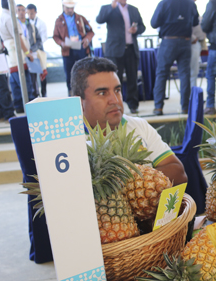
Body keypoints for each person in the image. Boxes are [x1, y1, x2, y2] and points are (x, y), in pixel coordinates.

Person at [71, 57, 188, 185]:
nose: (115, 100)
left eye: (117, 90)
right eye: (102, 93)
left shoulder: (139, 125)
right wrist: (148, 178)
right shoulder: (71, 143)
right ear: (79, 101)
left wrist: (133, 188)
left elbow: (179, 173)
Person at [96, 0, 146, 115]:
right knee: (114, 80)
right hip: (115, 51)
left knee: (132, 78)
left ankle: (133, 105)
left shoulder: (133, 9)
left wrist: (136, 30)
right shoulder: (108, 8)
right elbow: (99, 20)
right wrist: (112, 7)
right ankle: (115, 105)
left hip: (131, 49)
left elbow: (142, 27)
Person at [151, 0, 198, 116]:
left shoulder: (163, 3)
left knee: (161, 74)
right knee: (184, 75)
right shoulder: (189, 3)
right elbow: (195, 21)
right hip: (185, 41)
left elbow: (154, 23)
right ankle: (185, 108)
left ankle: (158, 107)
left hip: (168, 42)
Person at [0, 0, 36, 113]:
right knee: (24, 83)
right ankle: (29, 108)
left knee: (14, 83)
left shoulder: (2, 16)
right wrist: (27, 52)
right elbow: (18, 38)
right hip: (17, 54)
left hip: (11, 55)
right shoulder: (9, 18)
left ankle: (19, 106)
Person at [53, 0, 94, 96]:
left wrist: (87, 39)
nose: (70, 10)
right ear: (63, 7)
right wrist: (62, 43)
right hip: (68, 50)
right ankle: (72, 95)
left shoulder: (80, 18)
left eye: (71, 8)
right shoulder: (59, 20)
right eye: (68, 8)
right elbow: (55, 36)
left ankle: (85, 94)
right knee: (70, 74)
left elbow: (90, 32)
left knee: (84, 72)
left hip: (81, 48)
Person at [16, 4, 41, 100]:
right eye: (19, 10)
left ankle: (35, 99)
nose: (21, 12)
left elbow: (39, 41)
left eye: (23, 10)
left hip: (31, 56)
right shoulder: (14, 26)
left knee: (33, 80)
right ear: (16, 12)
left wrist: (31, 50)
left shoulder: (31, 26)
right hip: (20, 57)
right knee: (23, 81)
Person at [185, 0, 206, 89]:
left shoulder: (189, 5)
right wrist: (193, 38)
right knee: (192, 72)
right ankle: (191, 98)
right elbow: (185, 25)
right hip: (191, 43)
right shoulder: (189, 5)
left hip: (192, 42)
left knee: (192, 72)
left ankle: (190, 97)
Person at [26, 3, 48, 97]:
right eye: (28, 13)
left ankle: (44, 92)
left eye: (32, 13)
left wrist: (34, 48)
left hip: (39, 50)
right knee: (33, 73)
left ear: (35, 12)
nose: (30, 15)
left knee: (42, 71)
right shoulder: (26, 24)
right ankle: (35, 93)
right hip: (30, 52)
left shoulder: (41, 23)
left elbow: (43, 37)